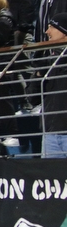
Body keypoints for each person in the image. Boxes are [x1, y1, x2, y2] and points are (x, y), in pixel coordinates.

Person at [40, 13, 67, 158]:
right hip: (50, 131)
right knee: (48, 179)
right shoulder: (50, 57)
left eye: (52, 27)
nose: (47, 31)